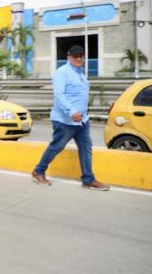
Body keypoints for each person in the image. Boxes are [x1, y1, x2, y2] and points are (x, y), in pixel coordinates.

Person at [32, 45, 110, 191]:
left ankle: (88, 179)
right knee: (56, 147)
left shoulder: (81, 73)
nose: (79, 58)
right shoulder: (62, 73)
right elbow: (59, 95)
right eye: (75, 56)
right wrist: (71, 111)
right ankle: (39, 171)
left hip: (82, 120)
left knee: (86, 149)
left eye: (81, 56)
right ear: (68, 57)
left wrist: (82, 114)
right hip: (65, 120)